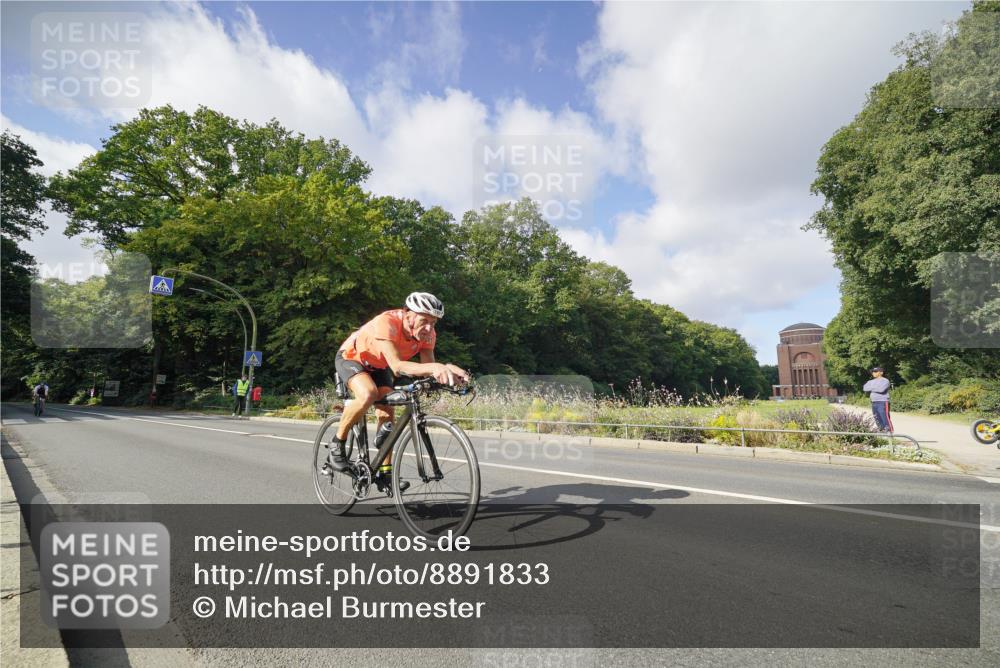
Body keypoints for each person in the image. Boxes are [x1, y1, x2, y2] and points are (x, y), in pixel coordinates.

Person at [324, 292, 469, 490]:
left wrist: (449, 371)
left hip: (379, 365)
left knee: (387, 413)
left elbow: (428, 367)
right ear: (407, 314)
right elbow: (397, 366)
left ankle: (385, 474)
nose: (429, 328)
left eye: (434, 323)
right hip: (352, 358)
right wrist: (437, 368)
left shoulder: (428, 334)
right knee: (368, 393)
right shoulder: (388, 322)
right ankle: (337, 443)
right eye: (424, 320)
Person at [863, 366, 893, 432]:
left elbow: (881, 389)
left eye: (876, 372)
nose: (873, 373)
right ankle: (881, 430)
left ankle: (889, 431)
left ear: (881, 373)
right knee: (877, 417)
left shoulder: (885, 381)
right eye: (873, 372)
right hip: (874, 402)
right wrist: (876, 387)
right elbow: (865, 388)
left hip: (883, 402)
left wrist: (871, 388)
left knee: (884, 417)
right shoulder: (871, 381)